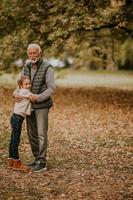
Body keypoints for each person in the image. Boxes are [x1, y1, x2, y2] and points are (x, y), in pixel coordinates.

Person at [17, 43, 55, 172]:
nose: (33, 56)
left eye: (35, 53)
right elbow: (20, 84)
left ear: (40, 52)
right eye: (30, 53)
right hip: (28, 105)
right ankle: (37, 159)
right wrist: (16, 94)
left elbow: (51, 88)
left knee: (41, 133)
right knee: (31, 133)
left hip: (42, 105)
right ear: (27, 54)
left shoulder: (47, 67)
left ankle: (42, 162)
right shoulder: (26, 66)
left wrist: (38, 98)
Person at [8, 75, 32, 172]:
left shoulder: (19, 91)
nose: (29, 85)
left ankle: (11, 160)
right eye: (26, 84)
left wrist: (15, 92)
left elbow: (16, 92)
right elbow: (32, 97)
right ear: (21, 85)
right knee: (16, 140)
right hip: (17, 118)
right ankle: (16, 162)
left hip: (15, 117)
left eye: (29, 83)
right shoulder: (24, 92)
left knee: (13, 138)